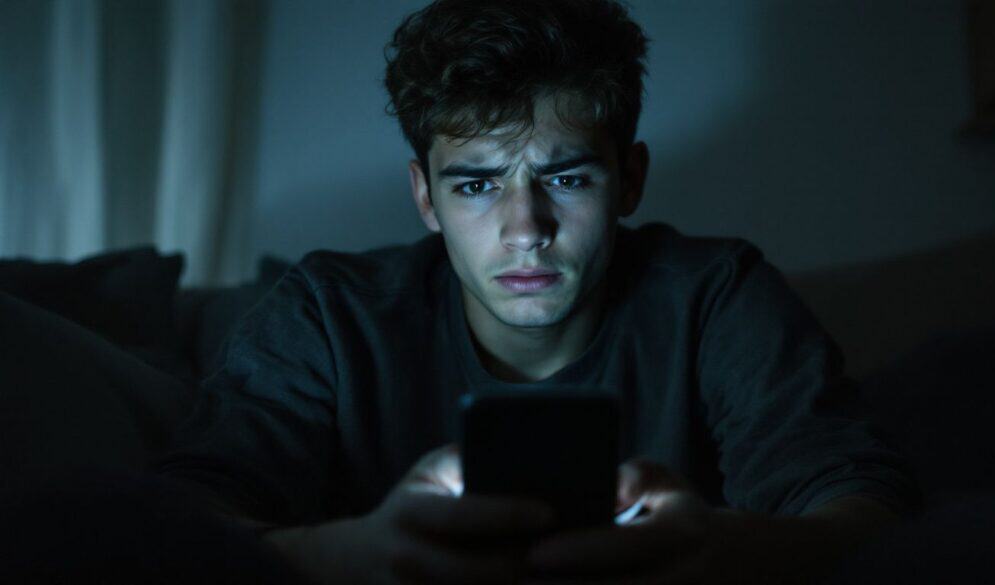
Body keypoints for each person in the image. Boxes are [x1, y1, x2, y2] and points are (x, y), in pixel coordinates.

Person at [155, 1, 920, 583]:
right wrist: (351, 553)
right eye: (479, 183)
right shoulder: (325, 313)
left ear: (631, 179)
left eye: (565, 177)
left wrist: (715, 547)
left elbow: (869, 512)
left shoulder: (716, 295)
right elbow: (178, 525)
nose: (527, 228)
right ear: (426, 197)